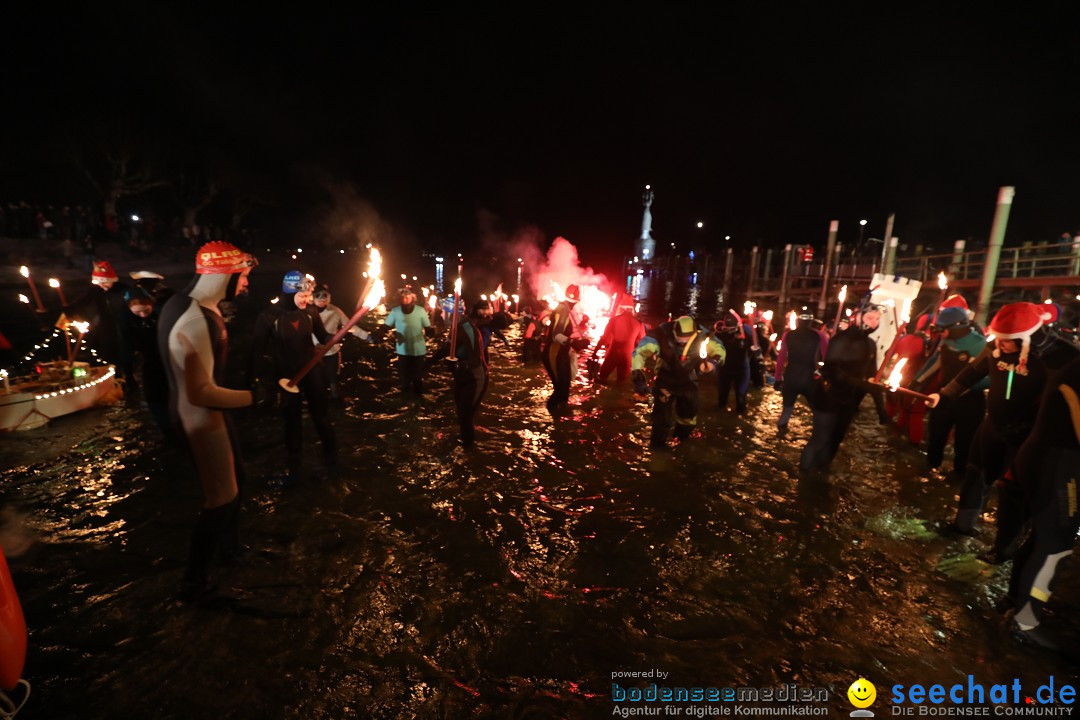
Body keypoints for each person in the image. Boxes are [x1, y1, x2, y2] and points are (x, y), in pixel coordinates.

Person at [927, 302, 1079, 552]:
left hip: (1027, 439)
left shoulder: (1063, 357)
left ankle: (1002, 551)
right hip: (992, 427)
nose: (998, 345)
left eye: (1006, 341)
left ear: (1026, 338)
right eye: (997, 339)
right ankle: (961, 528)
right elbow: (972, 372)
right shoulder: (996, 347)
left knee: (1013, 497)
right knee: (975, 474)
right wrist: (945, 395)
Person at [158, 240, 258, 601]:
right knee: (221, 495)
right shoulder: (196, 319)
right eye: (242, 277)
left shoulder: (185, 305)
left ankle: (230, 551)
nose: (246, 284)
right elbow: (201, 391)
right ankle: (194, 582)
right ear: (225, 275)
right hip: (199, 417)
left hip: (205, 413)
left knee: (239, 477)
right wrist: (258, 397)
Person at [1006, 355, 1080, 650]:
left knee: (1043, 537)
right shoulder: (1076, 375)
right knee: (1057, 547)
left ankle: (1015, 600)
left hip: (1045, 458)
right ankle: (1025, 621)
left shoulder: (1072, 367)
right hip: (1059, 466)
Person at [249, 271, 337, 485]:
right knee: (292, 420)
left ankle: (333, 458)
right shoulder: (269, 316)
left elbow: (322, 334)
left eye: (309, 295)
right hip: (287, 376)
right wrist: (252, 382)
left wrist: (332, 339)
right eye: (303, 296)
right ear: (290, 293)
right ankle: (295, 464)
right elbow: (255, 352)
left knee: (321, 415)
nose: (308, 300)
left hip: (312, 369)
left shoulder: (311, 312)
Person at [799, 302, 884, 473]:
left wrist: (881, 408)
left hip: (849, 401)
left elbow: (872, 377)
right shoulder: (842, 339)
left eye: (877, 319)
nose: (874, 322)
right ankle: (803, 478)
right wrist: (860, 383)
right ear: (859, 316)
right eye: (869, 317)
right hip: (828, 397)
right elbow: (831, 370)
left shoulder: (870, 345)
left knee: (836, 440)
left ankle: (821, 475)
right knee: (820, 439)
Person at [912, 307, 987, 478]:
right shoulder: (945, 341)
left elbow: (989, 377)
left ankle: (959, 475)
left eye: (943, 329)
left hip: (970, 402)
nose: (940, 333)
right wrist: (917, 381)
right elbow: (936, 362)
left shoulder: (979, 345)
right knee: (935, 436)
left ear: (957, 328)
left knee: (964, 443)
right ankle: (931, 468)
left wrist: (967, 387)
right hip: (944, 398)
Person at [631, 316, 726, 449]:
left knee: (688, 417)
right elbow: (639, 353)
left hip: (689, 381)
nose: (682, 342)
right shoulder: (660, 335)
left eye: (686, 339)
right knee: (661, 419)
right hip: (665, 381)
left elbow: (719, 350)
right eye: (679, 338)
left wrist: (712, 364)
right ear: (674, 331)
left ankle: (681, 443)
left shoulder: (703, 336)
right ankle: (658, 450)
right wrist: (638, 379)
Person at [429, 300, 492, 447]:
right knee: (462, 414)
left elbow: (476, 358)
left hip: (475, 378)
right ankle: (466, 440)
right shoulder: (456, 327)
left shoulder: (467, 327)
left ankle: (468, 453)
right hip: (461, 377)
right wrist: (428, 363)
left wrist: (457, 364)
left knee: (465, 416)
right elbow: (447, 348)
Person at [67, 260, 134, 385]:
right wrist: (67, 311)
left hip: (123, 326)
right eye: (100, 283)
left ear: (112, 280)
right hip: (106, 328)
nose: (103, 286)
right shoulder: (96, 290)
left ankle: (130, 378)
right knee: (109, 355)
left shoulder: (124, 290)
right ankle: (115, 379)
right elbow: (81, 303)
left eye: (106, 282)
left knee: (126, 353)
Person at [775, 311, 829, 437]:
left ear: (798, 321)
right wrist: (824, 375)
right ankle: (819, 437)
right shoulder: (820, 335)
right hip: (810, 379)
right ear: (811, 322)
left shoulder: (787, 335)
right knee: (817, 412)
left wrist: (778, 378)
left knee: (786, 411)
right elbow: (827, 358)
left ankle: (780, 437)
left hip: (790, 378)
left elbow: (781, 358)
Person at [312, 285, 370, 399]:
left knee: (333, 378)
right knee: (316, 380)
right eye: (317, 296)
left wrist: (367, 336)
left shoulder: (335, 311)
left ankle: (334, 396)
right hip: (313, 352)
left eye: (325, 296)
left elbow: (349, 326)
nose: (321, 299)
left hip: (332, 351)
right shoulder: (306, 312)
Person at [541, 284, 589, 414]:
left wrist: (577, 343)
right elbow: (556, 335)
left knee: (565, 388)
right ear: (578, 300)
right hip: (553, 353)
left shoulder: (566, 309)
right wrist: (574, 343)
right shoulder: (563, 309)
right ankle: (551, 416)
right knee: (561, 390)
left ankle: (561, 420)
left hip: (561, 353)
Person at [381, 286, 431, 401]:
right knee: (404, 379)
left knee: (417, 377)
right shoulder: (395, 311)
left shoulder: (420, 310)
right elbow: (385, 326)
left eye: (408, 296)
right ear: (399, 298)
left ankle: (418, 403)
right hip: (402, 350)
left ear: (412, 297)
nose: (405, 299)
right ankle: (405, 402)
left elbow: (428, 327)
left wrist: (430, 331)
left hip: (418, 350)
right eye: (403, 297)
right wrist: (377, 334)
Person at [594, 294, 645, 384]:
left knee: (602, 379)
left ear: (621, 308)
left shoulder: (614, 320)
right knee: (621, 383)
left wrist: (595, 352)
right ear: (632, 308)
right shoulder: (639, 323)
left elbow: (604, 337)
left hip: (613, 355)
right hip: (627, 357)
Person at [712, 311, 752, 414]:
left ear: (737, 326)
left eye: (732, 329)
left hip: (742, 370)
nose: (730, 332)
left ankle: (740, 415)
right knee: (722, 398)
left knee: (741, 399)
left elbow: (754, 347)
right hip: (725, 369)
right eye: (728, 329)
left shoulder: (745, 333)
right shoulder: (720, 334)